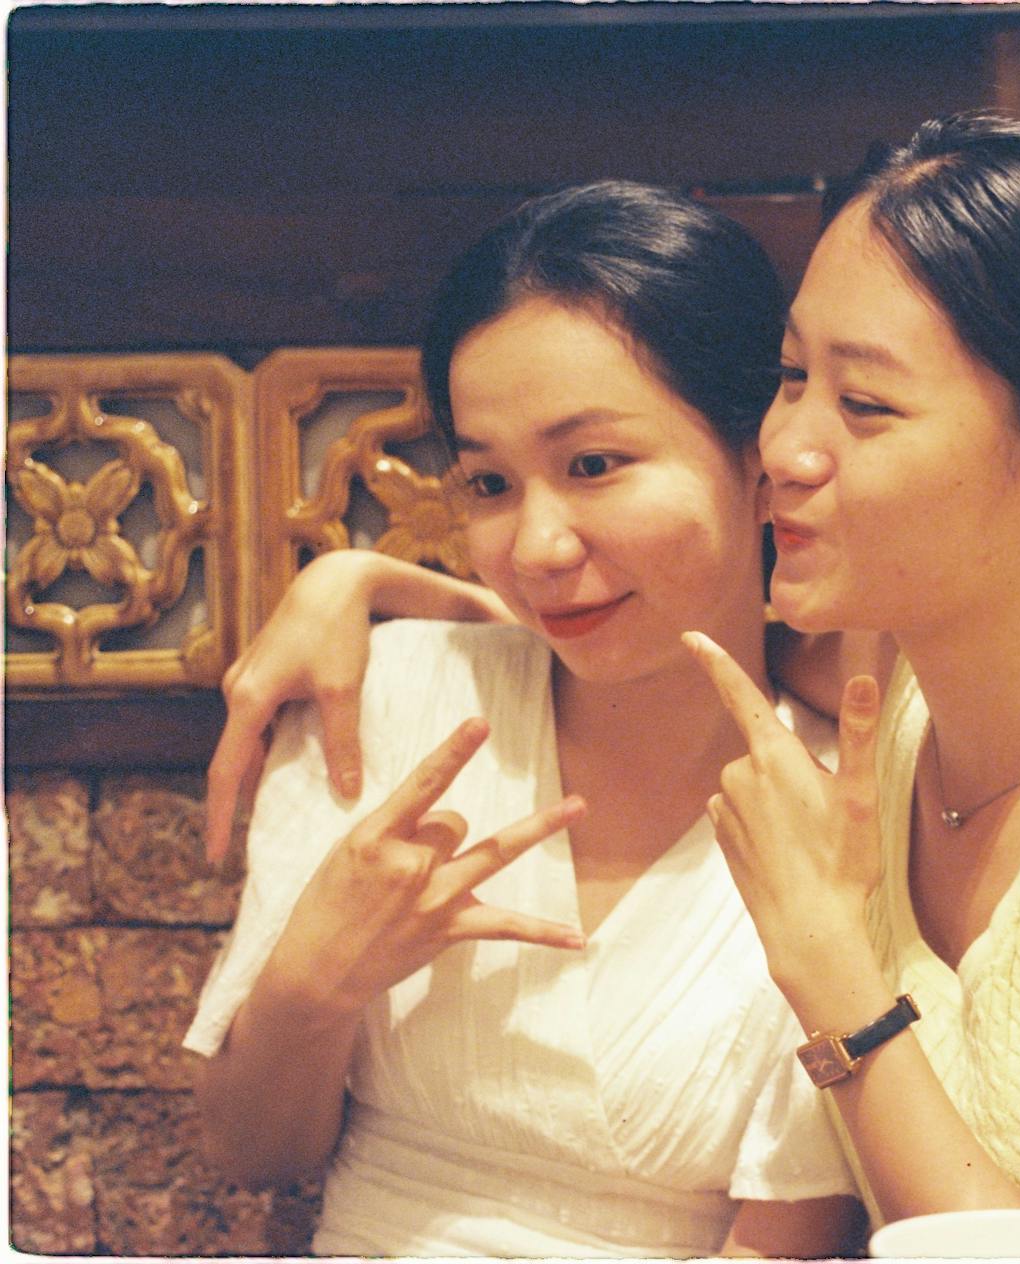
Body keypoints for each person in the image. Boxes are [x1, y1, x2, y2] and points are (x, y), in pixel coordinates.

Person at [206, 114, 1020, 1259]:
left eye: (861, 404)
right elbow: (656, 639)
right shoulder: (910, 709)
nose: (783, 447)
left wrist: (829, 966)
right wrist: (369, 586)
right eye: (788, 379)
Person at [185, 181, 859, 1258]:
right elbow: (249, 1147)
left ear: (754, 454)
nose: (537, 546)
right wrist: (314, 983)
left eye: (594, 464)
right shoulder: (391, 694)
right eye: (490, 482)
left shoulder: (849, 799)